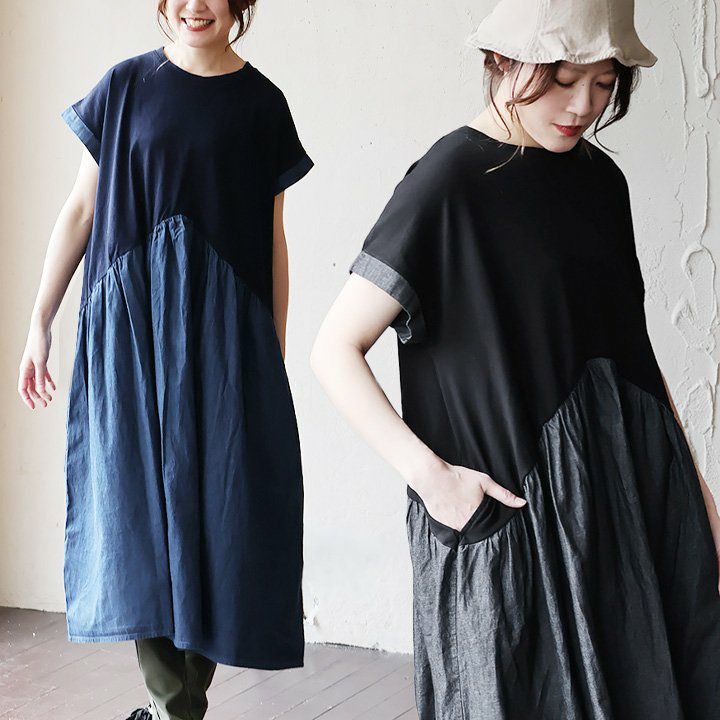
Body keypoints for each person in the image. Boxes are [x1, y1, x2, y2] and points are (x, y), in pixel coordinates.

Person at [310, 0, 720, 717]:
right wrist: (433, 481)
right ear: (502, 61)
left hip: (621, 505)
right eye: (563, 79)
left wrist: (696, 490)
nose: (583, 106)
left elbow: (631, 350)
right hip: (514, 519)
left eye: (604, 83)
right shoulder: (449, 181)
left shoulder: (601, 182)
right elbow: (334, 349)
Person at [17, 1, 313, 718]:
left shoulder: (263, 103)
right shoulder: (124, 86)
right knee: (137, 512)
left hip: (224, 337)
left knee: (223, 517)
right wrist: (39, 321)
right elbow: (81, 210)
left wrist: (270, 349)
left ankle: (176, 706)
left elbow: (273, 238)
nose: (195, 4)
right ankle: (173, 704)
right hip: (131, 327)